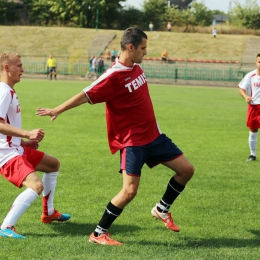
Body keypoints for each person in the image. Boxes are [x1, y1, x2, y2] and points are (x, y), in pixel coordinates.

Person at [36, 27, 194, 246]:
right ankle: (99, 233)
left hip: (155, 136)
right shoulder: (113, 76)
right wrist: (57, 110)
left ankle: (161, 209)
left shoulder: (137, 66)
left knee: (186, 170)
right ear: (131, 47)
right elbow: (86, 93)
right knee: (129, 191)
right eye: (143, 48)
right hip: (132, 143)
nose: (146, 53)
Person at [0, 51, 70, 239]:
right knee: (35, 186)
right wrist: (26, 133)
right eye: (19, 66)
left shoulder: (9, 90)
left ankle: (48, 213)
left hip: (16, 147)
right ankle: (6, 227)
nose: (23, 69)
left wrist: (24, 142)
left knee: (53, 164)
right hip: (6, 154)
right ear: (7, 68)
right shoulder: (3, 91)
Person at [238, 53, 260, 161]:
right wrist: (246, 97)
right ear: (256, 63)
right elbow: (241, 88)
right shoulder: (251, 76)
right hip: (254, 107)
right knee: (253, 130)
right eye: (259, 62)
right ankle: (252, 155)